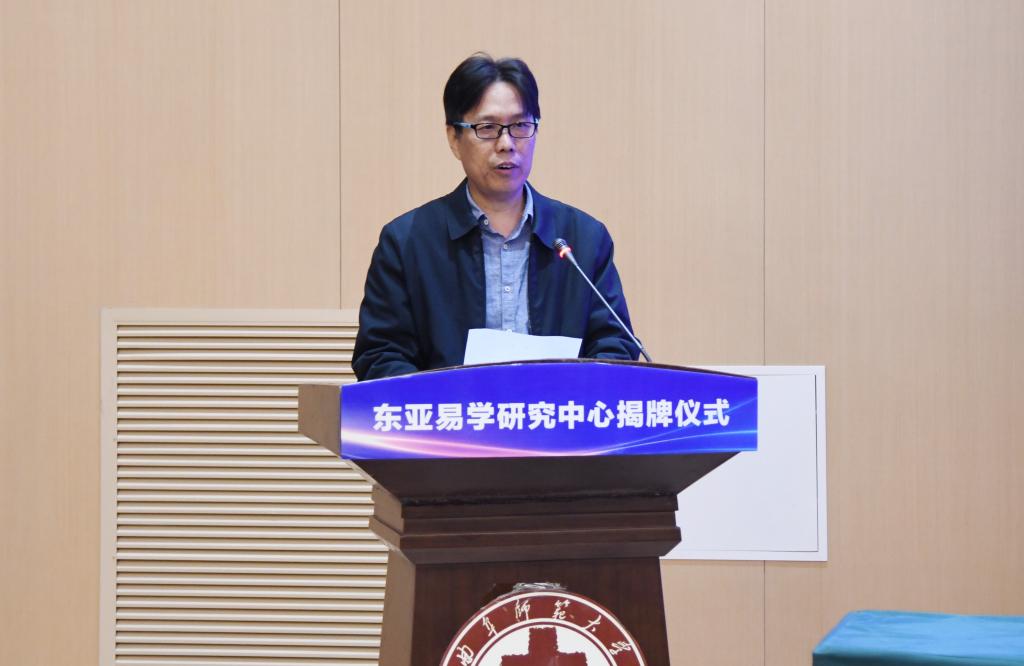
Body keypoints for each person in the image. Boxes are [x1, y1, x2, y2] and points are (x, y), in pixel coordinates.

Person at [352, 54, 639, 381]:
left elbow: (615, 346)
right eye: (487, 128)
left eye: (520, 126)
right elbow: (381, 355)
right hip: (450, 414)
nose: (506, 144)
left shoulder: (583, 239)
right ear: (454, 138)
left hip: (556, 412)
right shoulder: (407, 243)